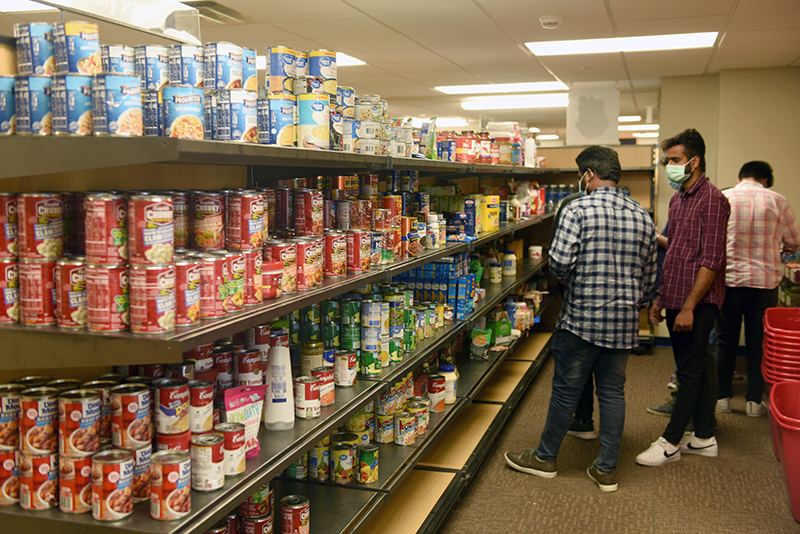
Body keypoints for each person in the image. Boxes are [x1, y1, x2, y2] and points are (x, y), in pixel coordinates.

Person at [505, 146, 657, 492]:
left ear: (588, 174)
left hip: (582, 320)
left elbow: (558, 263)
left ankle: (545, 458)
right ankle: (605, 469)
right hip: (623, 323)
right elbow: (649, 276)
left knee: (565, 391)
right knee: (613, 393)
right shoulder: (642, 214)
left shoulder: (578, 209)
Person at [637, 129, 730, 467]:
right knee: (701, 365)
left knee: (689, 371)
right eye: (667, 161)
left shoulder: (714, 200)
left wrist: (689, 306)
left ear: (694, 160)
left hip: (698, 301)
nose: (669, 166)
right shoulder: (678, 198)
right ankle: (704, 436)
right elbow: (674, 251)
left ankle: (670, 442)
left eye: (675, 160)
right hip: (675, 296)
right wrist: (661, 299)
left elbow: (711, 259)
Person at [716, 161, 800, 416]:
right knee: (759, 343)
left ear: (741, 177)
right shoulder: (778, 200)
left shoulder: (724, 197)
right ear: (765, 179)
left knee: (724, 340)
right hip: (765, 284)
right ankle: (754, 401)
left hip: (730, 281)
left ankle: (723, 398)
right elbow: (794, 241)